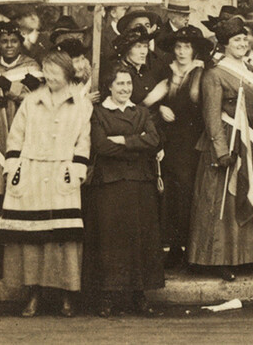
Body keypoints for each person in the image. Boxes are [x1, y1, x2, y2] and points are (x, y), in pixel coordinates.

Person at [0, 51, 92, 317]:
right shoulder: (31, 100)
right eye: (46, 71)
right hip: (31, 173)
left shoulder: (81, 104)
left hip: (62, 173)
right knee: (32, 239)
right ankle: (33, 295)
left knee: (63, 239)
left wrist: (76, 170)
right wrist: (13, 169)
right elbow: (16, 137)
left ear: (66, 73)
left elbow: (83, 140)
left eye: (55, 72)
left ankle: (66, 296)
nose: (49, 76)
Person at [187, 16, 253, 281]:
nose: (242, 44)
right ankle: (217, 259)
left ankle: (244, 256)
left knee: (243, 195)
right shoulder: (214, 73)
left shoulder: (252, 72)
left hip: (248, 140)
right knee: (221, 202)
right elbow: (211, 116)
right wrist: (221, 151)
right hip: (225, 142)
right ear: (224, 44)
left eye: (245, 39)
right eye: (236, 40)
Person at [85, 64, 164, 317]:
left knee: (139, 239)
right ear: (109, 86)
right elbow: (100, 146)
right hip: (109, 184)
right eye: (120, 84)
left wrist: (122, 140)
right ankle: (107, 296)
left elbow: (154, 141)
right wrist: (135, 142)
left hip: (140, 183)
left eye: (128, 84)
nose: (125, 89)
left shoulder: (141, 111)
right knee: (110, 240)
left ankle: (138, 295)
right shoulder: (98, 113)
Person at [0, 21, 43, 280]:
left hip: (23, 139)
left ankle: (20, 264)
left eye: (14, 41)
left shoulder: (32, 66)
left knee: (20, 201)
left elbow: (36, 98)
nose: (9, 46)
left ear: (20, 42)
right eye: (4, 42)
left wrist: (13, 92)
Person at [153, 24, 210, 269]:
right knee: (171, 194)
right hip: (169, 141)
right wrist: (159, 109)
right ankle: (174, 248)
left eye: (187, 47)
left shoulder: (202, 73)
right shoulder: (166, 73)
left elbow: (202, 105)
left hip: (193, 140)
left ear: (195, 50)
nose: (182, 51)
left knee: (189, 192)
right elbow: (148, 101)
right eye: (178, 46)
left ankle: (191, 250)